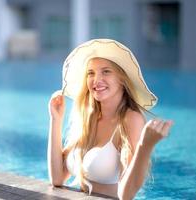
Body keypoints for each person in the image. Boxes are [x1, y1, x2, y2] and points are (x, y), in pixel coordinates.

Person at [47, 39, 173, 200]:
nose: (96, 79)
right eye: (90, 73)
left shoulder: (131, 119)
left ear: (122, 79)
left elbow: (126, 195)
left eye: (106, 71)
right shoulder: (88, 116)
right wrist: (55, 120)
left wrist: (145, 146)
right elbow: (57, 178)